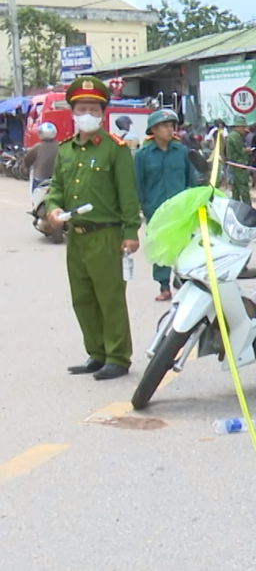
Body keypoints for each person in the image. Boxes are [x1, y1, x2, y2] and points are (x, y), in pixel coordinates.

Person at [44, 76, 141, 381]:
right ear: (72, 111)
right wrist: (53, 208)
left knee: (110, 297)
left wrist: (130, 231)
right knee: (83, 297)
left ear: (102, 113)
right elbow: (57, 187)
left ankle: (117, 356)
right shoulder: (66, 149)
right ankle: (96, 353)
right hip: (77, 235)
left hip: (106, 234)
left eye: (93, 108)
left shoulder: (116, 149)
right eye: (81, 107)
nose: (87, 113)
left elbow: (127, 194)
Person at [134, 109, 196, 301]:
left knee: (184, 246)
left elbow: (191, 181)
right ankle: (164, 286)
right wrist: (143, 207)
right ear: (154, 129)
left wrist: (192, 203)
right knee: (161, 248)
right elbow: (138, 184)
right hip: (156, 210)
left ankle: (184, 281)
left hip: (181, 209)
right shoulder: (143, 155)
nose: (170, 130)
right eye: (165, 126)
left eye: (172, 126)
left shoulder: (182, 152)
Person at [224, 115, 252, 204]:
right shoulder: (235, 136)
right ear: (238, 126)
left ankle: (234, 206)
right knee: (243, 187)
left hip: (234, 165)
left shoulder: (233, 135)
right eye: (243, 127)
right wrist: (247, 151)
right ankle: (248, 207)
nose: (244, 129)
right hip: (239, 165)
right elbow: (240, 150)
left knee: (235, 188)